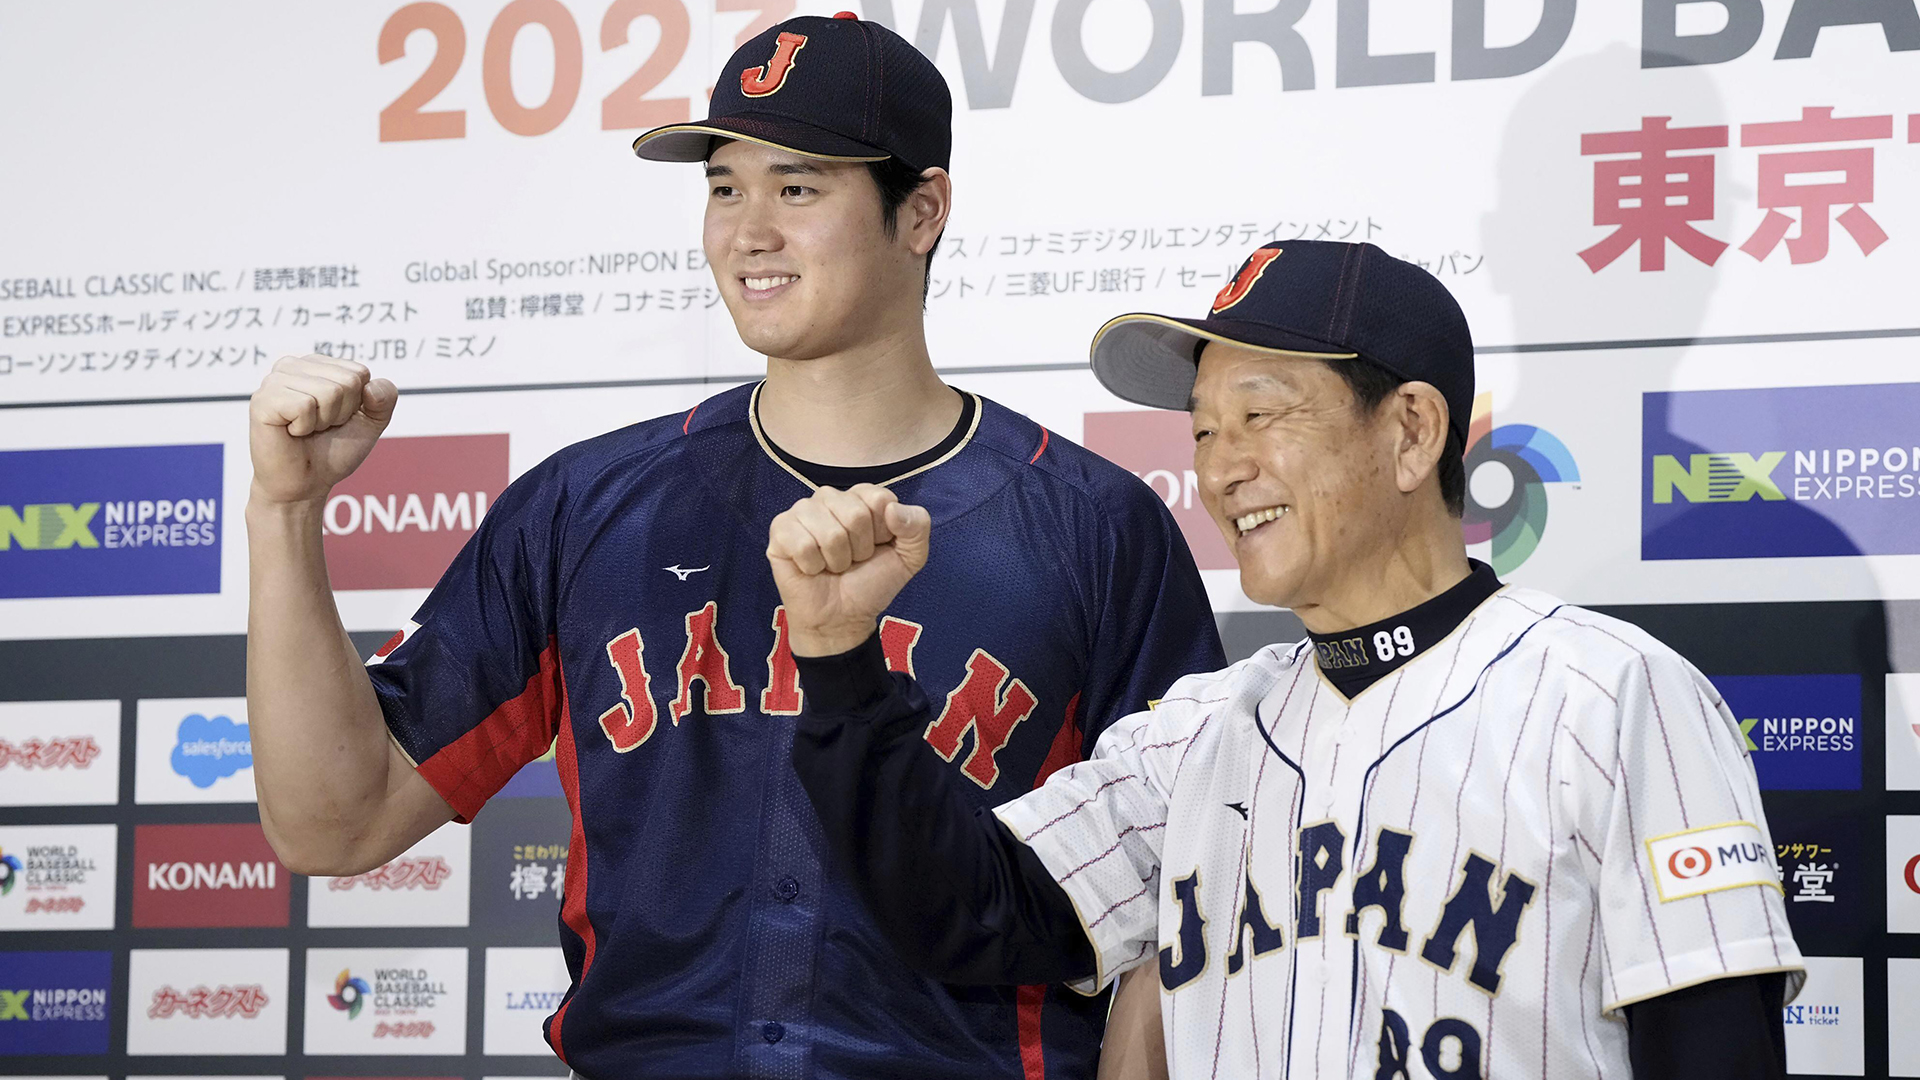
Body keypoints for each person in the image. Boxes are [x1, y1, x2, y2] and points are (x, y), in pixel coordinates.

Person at [243, 12, 1220, 1079]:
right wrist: (286, 517)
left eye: (797, 188)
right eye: (723, 188)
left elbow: (1178, 903)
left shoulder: (1092, 526)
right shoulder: (587, 503)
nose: (748, 230)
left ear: (922, 211)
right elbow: (334, 825)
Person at [770, 240, 1807, 1079]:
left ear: (1409, 432)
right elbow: (964, 908)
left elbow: (1717, 1051)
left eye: (1260, 415)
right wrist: (839, 658)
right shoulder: (1200, 734)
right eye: (1205, 429)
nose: (1222, 466)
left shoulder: (1613, 697)